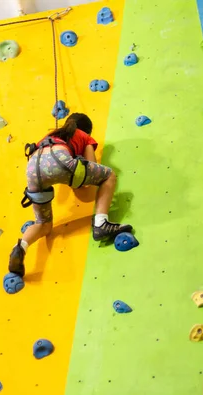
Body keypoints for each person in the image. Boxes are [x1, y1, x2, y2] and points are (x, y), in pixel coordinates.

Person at [8, 113, 132, 277]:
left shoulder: (51, 134)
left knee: (44, 224)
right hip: (60, 162)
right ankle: (101, 223)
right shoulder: (84, 137)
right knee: (108, 176)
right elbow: (92, 165)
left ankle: (21, 247)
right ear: (87, 130)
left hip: (32, 170)